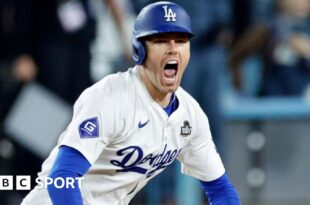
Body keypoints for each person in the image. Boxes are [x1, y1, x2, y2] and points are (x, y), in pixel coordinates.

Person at [21, 2, 241, 205]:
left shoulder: (190, 114)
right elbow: (62, 179)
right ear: (140, 51)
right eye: (161, 41)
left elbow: (220, 188)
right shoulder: (110, 98)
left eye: (181, 41)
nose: (173, 49)